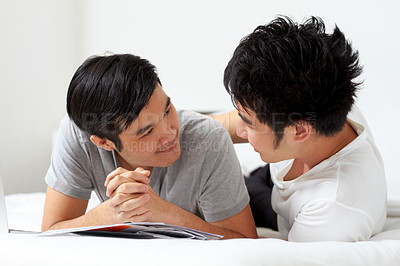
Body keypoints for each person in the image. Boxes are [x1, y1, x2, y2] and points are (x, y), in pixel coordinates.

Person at [41, 53, 257, 239]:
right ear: (104, 142)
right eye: (147, 131)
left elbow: (246, 241)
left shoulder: (209, 138)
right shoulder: (78, 135)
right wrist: (106, 216)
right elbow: (51, 230)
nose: (170, 133)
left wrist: (164, 213)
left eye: (167, 110)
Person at [211, 16, 386, 242]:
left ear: (300, 131)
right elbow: (219, 126)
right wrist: (168, 131)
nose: (240, 130)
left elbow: (264, 255)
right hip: (277, 176)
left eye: (249, 123)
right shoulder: (321, 94)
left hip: (293, 211)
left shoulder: (332, 211)